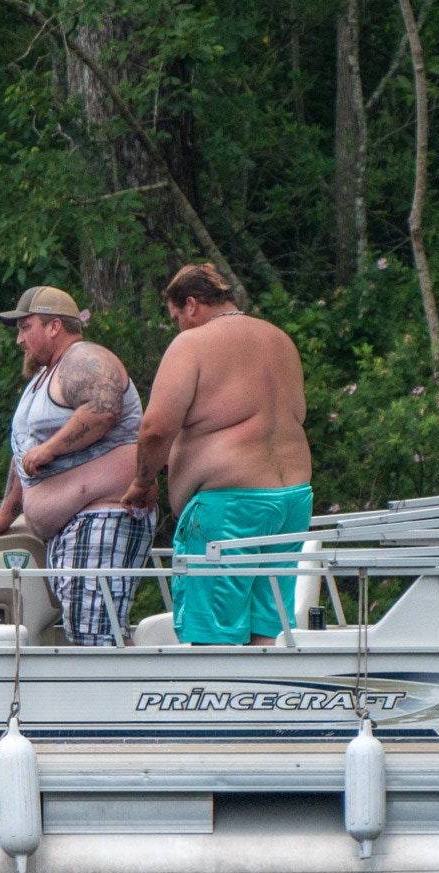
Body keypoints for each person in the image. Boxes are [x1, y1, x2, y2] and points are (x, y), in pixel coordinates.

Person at [120, 264, 313, 645]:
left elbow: (156, 429)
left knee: (214, 639)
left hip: (230, 510)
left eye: (176, 317)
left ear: (191, 304)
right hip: (292, 501)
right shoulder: (279, 339)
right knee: (268, 630)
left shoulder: (192, 344)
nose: (178, 327)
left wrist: (143, 482)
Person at [0, 286, 153, 646]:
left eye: (26, 328)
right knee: (89, 633)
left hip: (100, 516)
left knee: (96, 635)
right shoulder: (45, 377)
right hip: (71, 527)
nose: (20, 340)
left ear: (54, 326)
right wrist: (6, 513)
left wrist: (50, 450)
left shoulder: (84, 358)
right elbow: (24, 454)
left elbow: (104, 409)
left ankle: (122, 688)